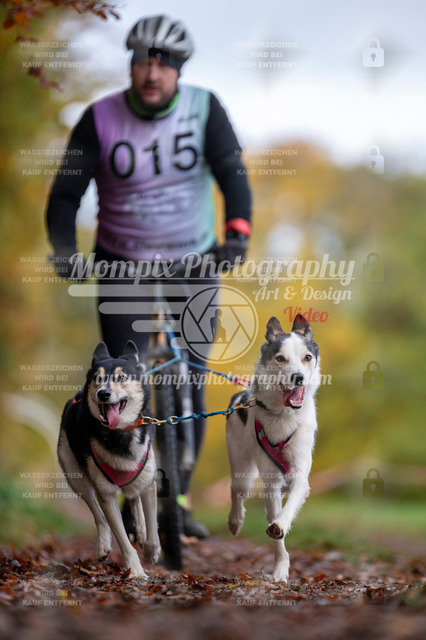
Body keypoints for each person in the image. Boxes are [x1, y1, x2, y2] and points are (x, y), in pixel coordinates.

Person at [46, 14, 252, 538]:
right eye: (143, 62)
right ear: (131, 66)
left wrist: (237, 232)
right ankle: (124, 492)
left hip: (194, 258)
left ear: (179, 70)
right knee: (122, 382)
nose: (153, 73)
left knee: (190, 376)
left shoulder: (204, 108)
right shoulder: (100, 118)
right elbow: (66, 193)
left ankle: (175, 500)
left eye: (164, 64)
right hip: (123, 262)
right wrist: (65, 249)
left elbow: (232, 173)